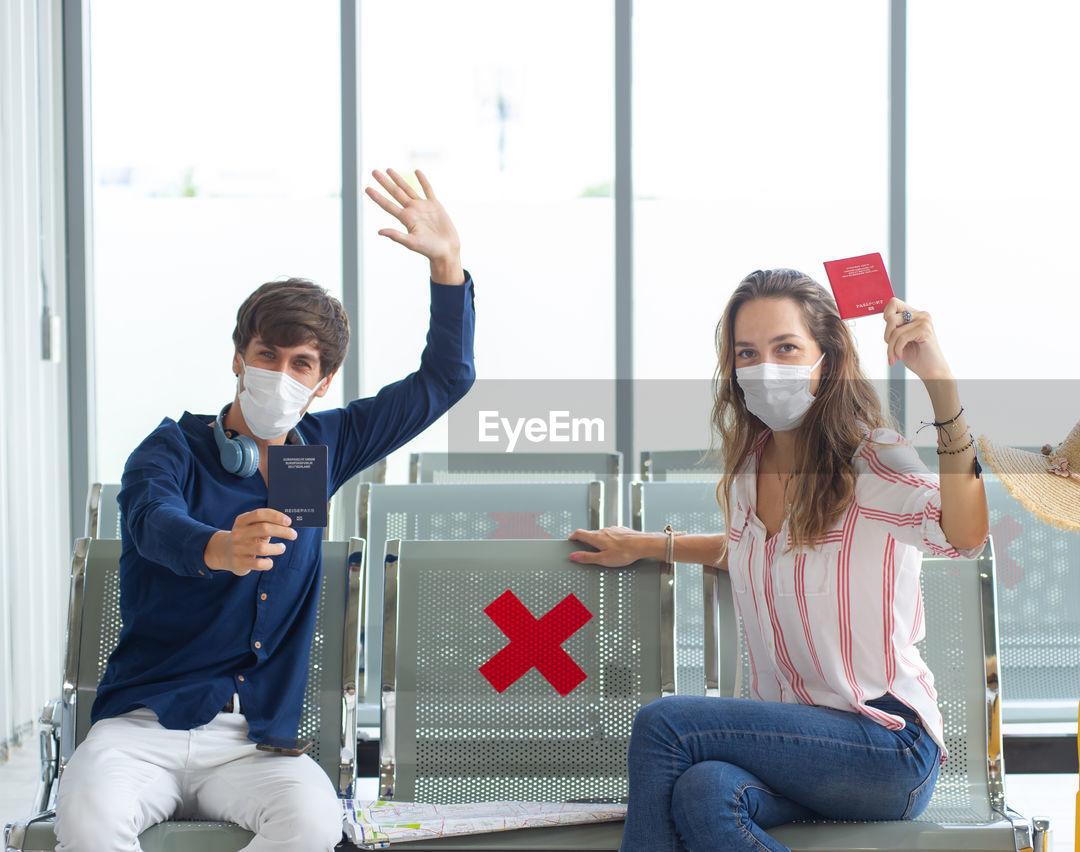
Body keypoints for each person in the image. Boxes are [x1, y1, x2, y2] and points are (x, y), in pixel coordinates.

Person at [54, 169, 475, 852]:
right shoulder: (172, 449)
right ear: (238, 358)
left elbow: (445, 379)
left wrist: (447, 264)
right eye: (267, 355)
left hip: (256, 744)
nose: (281, 374)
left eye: (301, 363)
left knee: (312, 825)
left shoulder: (318, 450)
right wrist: (218, 547)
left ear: (323, 381)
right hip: (142, 728)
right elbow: (151, 523)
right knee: (89, 820)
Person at [569, 268, 989, 851]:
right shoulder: (751, 465)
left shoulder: (871, 459)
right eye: (748, 353)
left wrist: (940, 384)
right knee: (705, 789)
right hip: (798, 745)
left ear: (828, 357)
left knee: (663, 725)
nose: (765, 367)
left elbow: (963, 535)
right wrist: (647, 545)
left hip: (885, 744)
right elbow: (751, 551)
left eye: (786, 348)